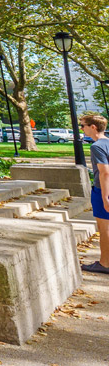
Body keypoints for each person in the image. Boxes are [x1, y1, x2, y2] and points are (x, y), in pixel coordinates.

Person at [79, 113, 109, 274]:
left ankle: (105, 263)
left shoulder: (96, 147)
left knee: (105, 229)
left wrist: (104, 197)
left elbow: (105, 172)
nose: (81, 129)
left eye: (82, 125)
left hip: (102, 190)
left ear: (93, 127)